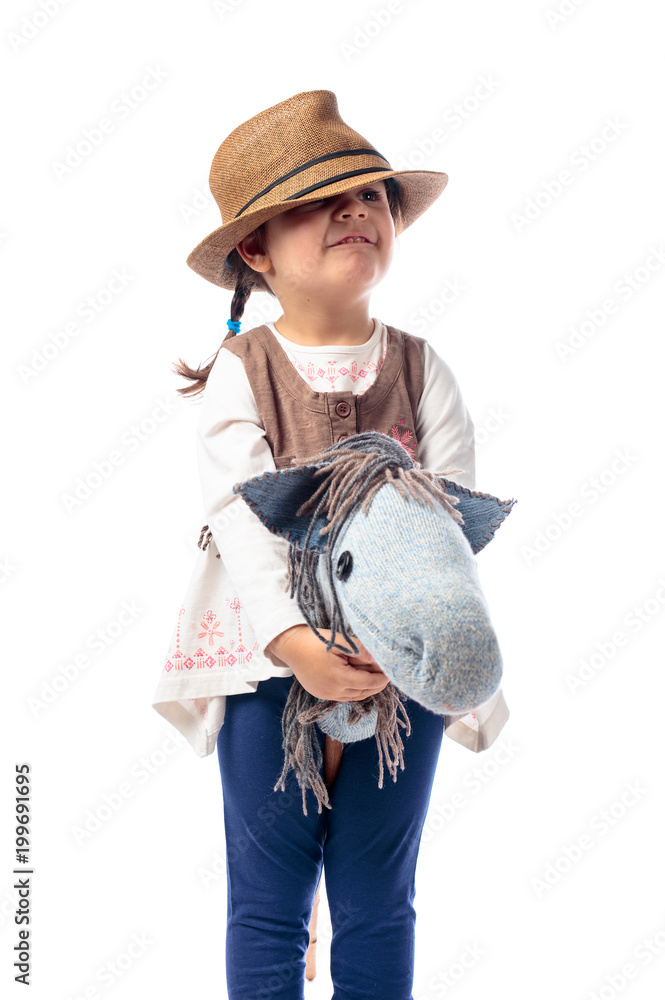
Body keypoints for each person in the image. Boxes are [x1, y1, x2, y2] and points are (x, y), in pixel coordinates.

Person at [151, 90, 489, 1000]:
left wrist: (400, 638)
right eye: (316, 201)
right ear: (256, 251)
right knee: (268, 897)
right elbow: (242, 523)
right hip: (266, 666)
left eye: (369, 195)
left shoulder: (424, 369)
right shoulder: (241, 372)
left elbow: (446, 527)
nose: (353, 212)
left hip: (401, 661)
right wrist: (296, 644)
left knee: (380, 891)